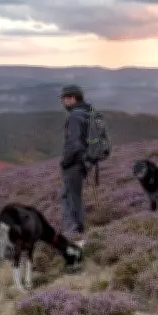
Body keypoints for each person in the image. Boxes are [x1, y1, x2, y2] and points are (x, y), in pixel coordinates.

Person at [59, 84, 91, 236]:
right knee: (73, 196)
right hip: (84, 162)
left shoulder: (74, 116)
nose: (63, 101)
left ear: (72, 98)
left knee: (69, 197)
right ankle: (77, 229)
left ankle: (74, 231)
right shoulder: (86, 112)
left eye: (65, 98)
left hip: (74, 163)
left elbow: (75, 144)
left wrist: (65, 161)